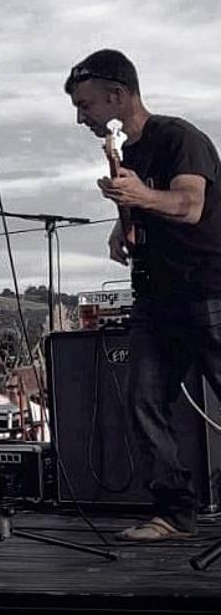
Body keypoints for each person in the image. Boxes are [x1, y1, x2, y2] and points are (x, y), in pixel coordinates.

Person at [66, 48, 221, 543]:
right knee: (143, 399)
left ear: (118, 95)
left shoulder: (179, 137)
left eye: (87, 105)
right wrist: (122, 225)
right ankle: (175, 512)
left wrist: (139, 199)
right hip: (156, 296)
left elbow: (189, 205)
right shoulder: (125, 152)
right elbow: (143, 203)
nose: (81, 117)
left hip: (208, 289)